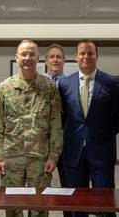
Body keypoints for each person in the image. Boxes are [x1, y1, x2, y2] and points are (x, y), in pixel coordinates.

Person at [0, 39, 63, 217]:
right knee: (12, 206)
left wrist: (54, 156)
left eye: (32, 54)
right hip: (11, 157)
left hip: (40, 158)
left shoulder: (49, 87)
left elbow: (56, 124)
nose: (28, 57)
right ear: (17, 58)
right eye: (24, 54)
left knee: (39, 206)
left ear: (38, 58)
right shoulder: (5, 87)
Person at [58, 39, 119, 217]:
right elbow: (63, 117)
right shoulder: (64, 84)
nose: (86, 56)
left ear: (97, 56)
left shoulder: (111, 82)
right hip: (74, 152)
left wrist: (101, 134)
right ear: (76, 57)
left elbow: (118, 117)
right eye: (82, 53)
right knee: (77, 203)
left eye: (90, 53)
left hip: (102, 152)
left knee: (105, 203)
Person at [43, 43, 69, 217]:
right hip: (42, 145)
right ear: (45, 60)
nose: (55, 60)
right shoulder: (38, 82)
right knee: (40, 189)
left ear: (64, 60)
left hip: (67, 145)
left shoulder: (71, 82)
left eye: (58, 57)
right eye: (51, 56)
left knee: (69, 188)